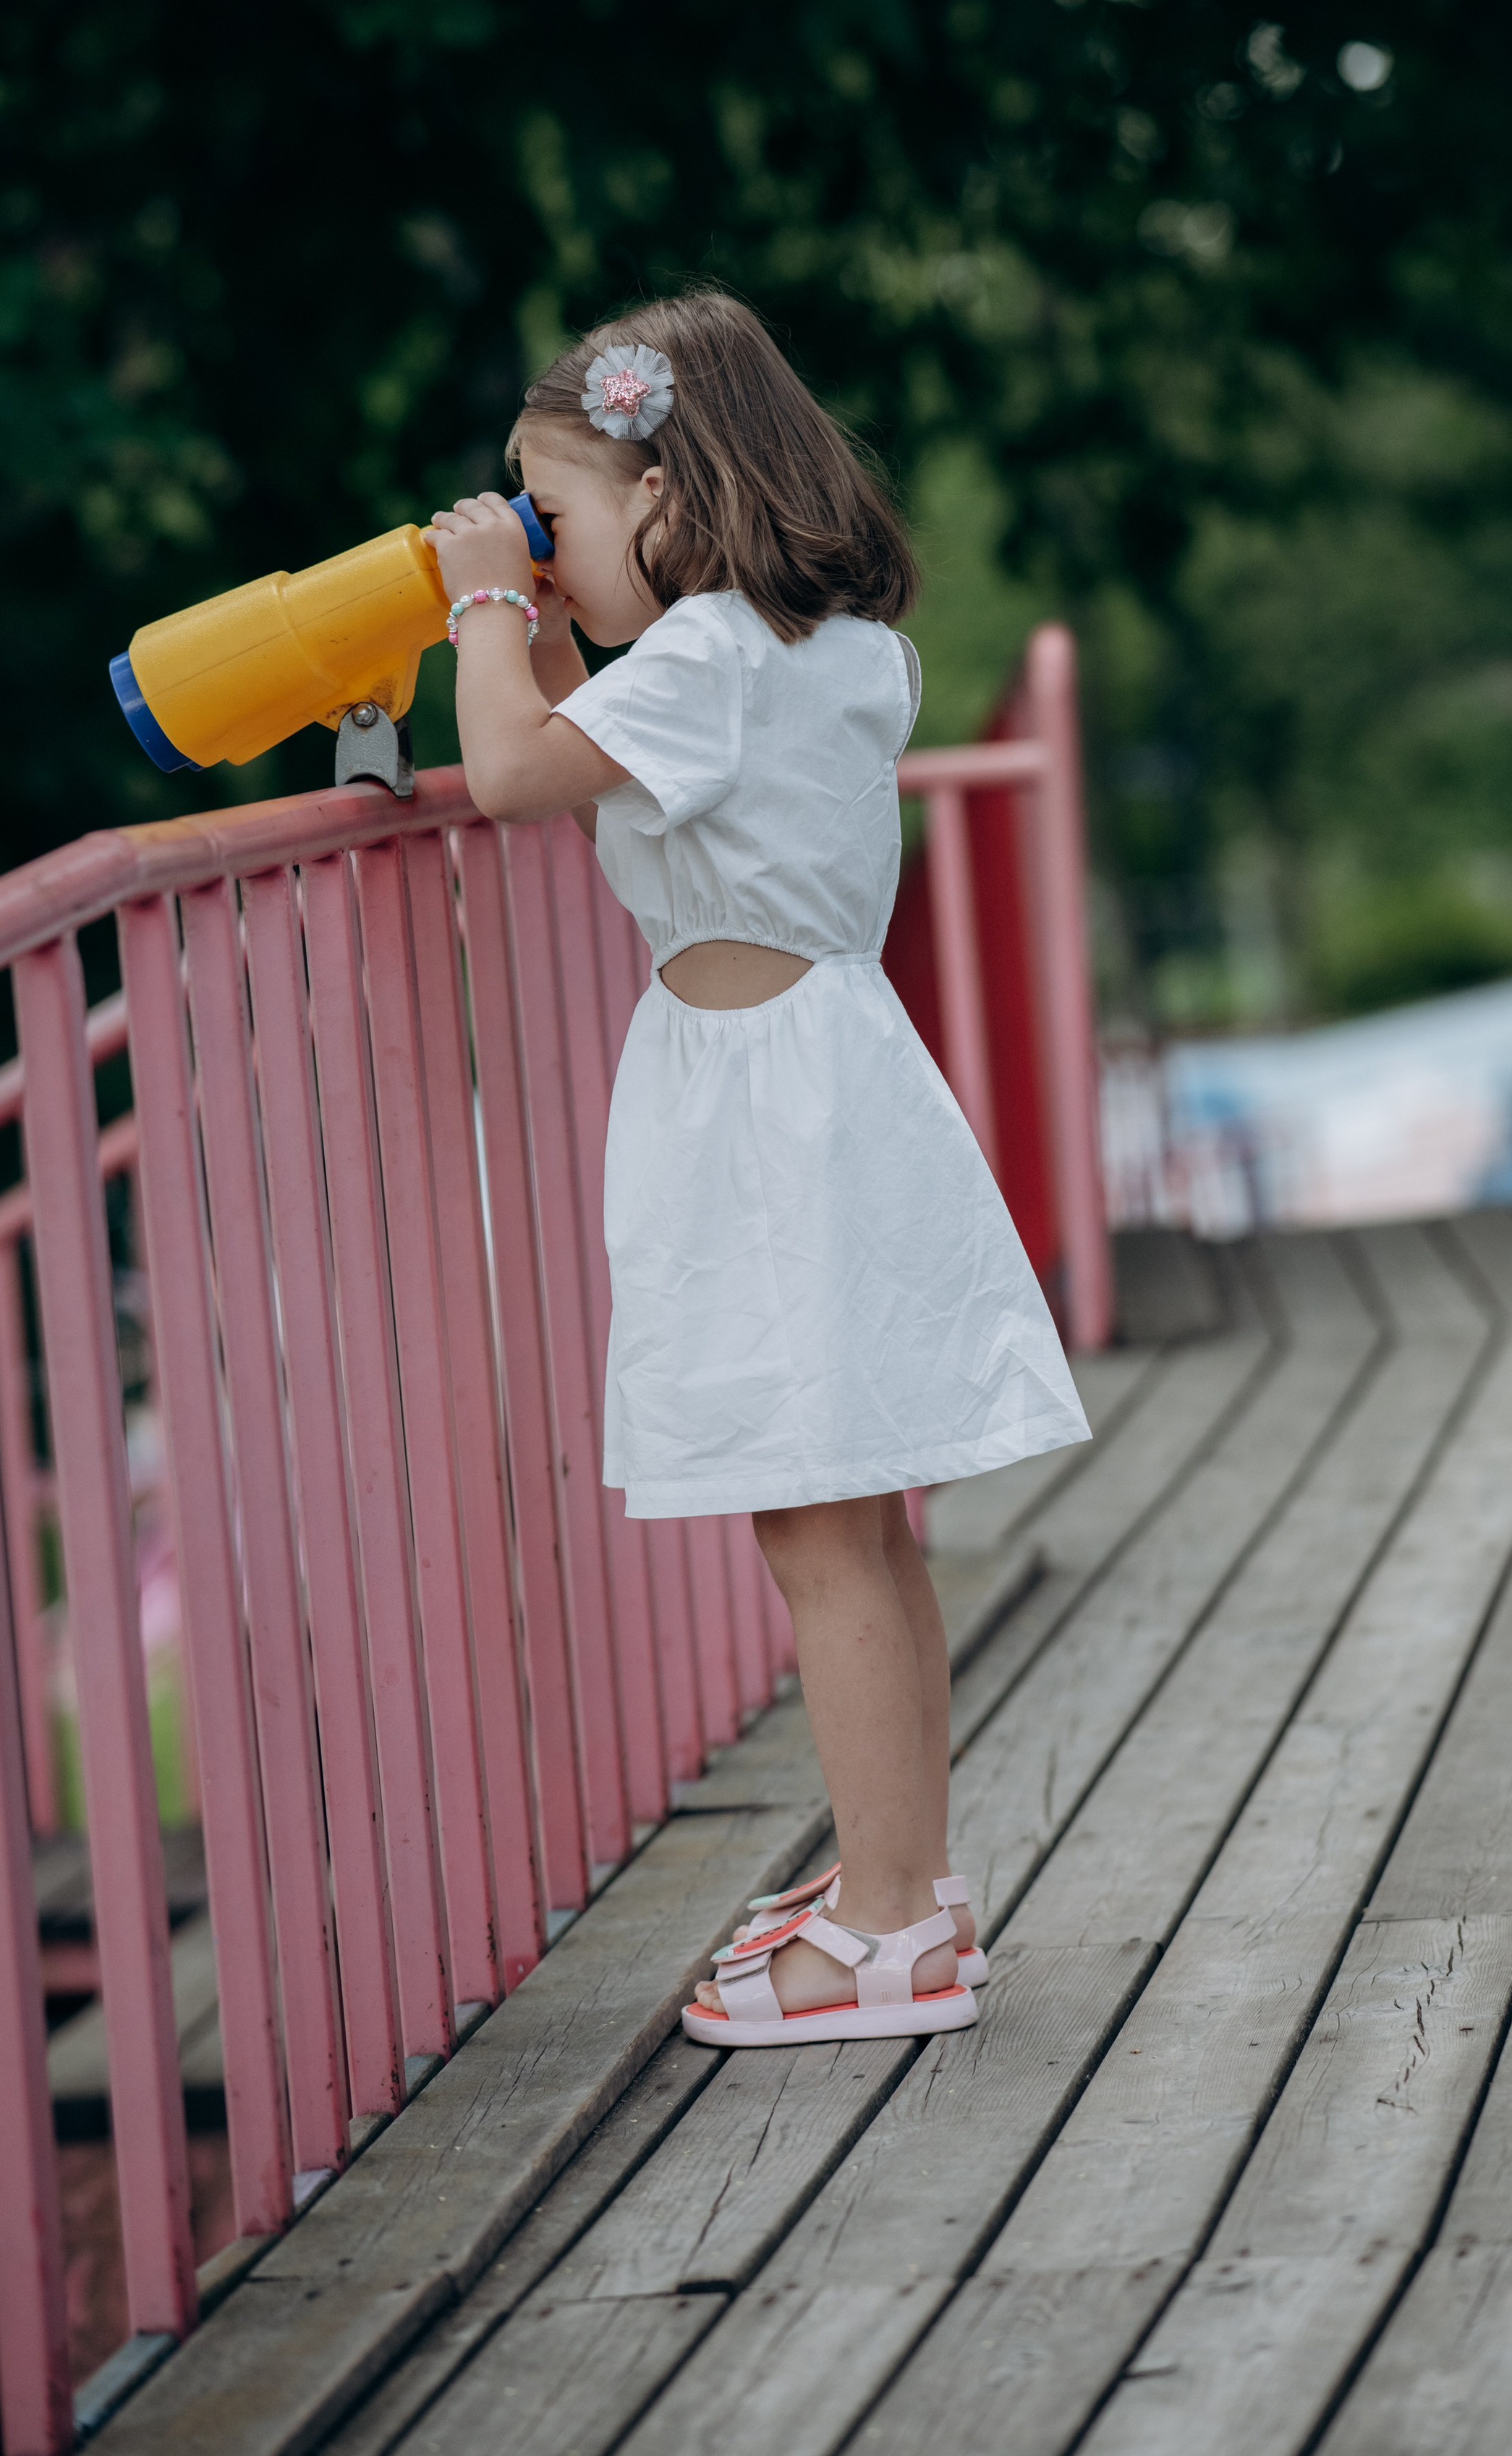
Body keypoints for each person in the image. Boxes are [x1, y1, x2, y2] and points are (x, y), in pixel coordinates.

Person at [428, 289, 1089, 2048]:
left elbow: (507, 773)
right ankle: (909, 1886)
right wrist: (543, 614)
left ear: (658, 495)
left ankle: (886, 1931)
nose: (538, 554)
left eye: (551, 515)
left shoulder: (709, 662)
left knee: (817, 1533)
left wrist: (478, 604)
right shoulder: (815, 652)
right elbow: (595, 751)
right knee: (859, 1524)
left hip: (764, 1125)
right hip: (822, 1083)